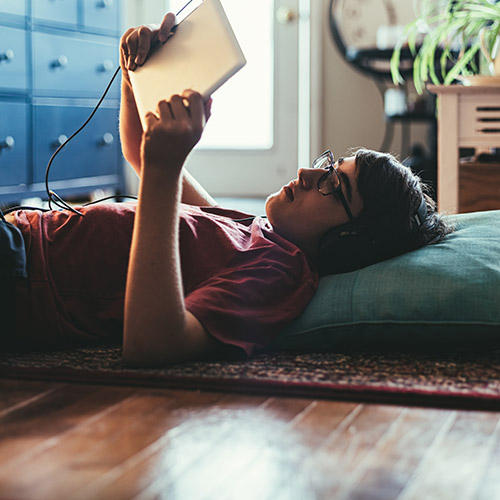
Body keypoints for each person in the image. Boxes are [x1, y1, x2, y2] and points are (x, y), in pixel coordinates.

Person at [1, 14, 452, 365]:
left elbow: (154, 342)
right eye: (327, 167)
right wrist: (135, 75)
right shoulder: (253, 231)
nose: (308, 173)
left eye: (334, 186)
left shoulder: (278, 274)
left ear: (347, 245)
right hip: (22, 233)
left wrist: (165, 170)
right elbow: (143, 154)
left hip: (21, 278)